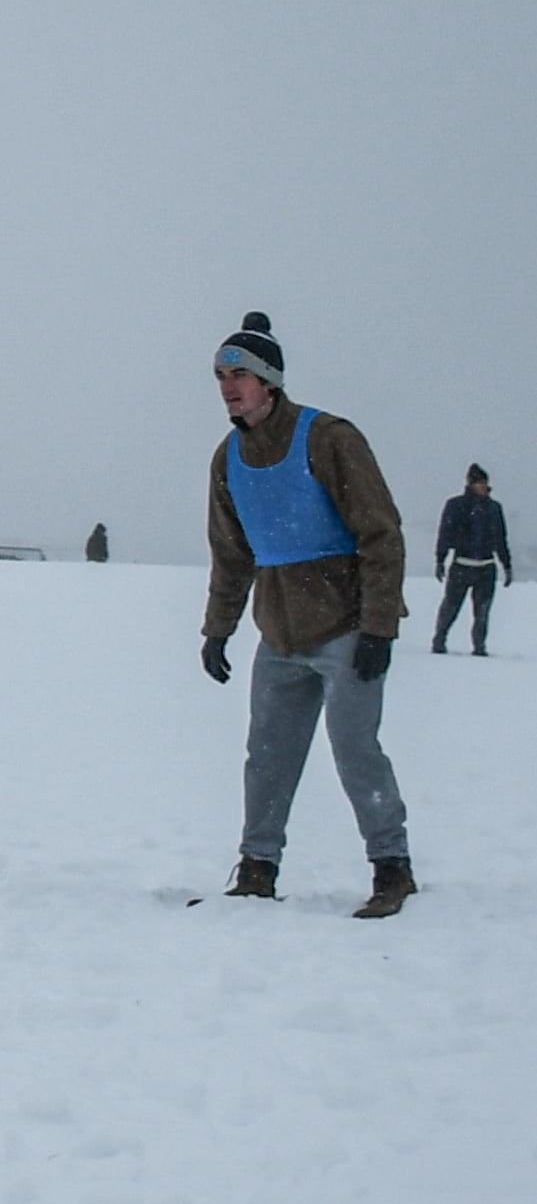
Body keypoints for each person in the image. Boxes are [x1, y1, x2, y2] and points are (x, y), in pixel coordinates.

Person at [200, 312, 412, 916]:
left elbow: (381, 534)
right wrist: (218, 630)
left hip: (347, 628)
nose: (228, 387)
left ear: (269, 381)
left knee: (354, 748)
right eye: (220, 377)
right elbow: (232, 554)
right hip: (279, 634)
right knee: (268, 755)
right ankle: (257, 868)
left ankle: (392, 867)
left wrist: (379, 627)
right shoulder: (228, 458)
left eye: (239, 375)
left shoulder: (329, 438)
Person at [432, 465, 507, 654]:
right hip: (461, 566)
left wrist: (506, 564)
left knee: (482, 612)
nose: (482, 486)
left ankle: (479, 647)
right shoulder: (455, 505)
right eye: (478, 483)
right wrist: (440, 559)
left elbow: (500, 538)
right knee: (450, 607)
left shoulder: (494, 508)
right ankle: (439, 640)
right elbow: (445, 534)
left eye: (484, 482)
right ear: (470, 484)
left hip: (486, 567)